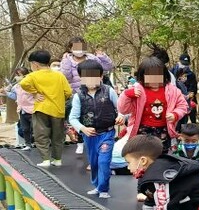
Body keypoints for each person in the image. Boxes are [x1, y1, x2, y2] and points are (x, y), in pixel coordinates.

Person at [68, 60, 123, 198]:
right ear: (81, 78)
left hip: (107, 133)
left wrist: (121, 116)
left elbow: (121, 108)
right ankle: (97, 185)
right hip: (90, 136)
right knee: (93, 162)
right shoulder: (78, 96)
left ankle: (104, 189)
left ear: (100, 77)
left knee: (104, 161)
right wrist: (82, 129)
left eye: (95, 76)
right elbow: (73, 118)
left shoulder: (108, 91)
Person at [118, 57, 189, 155]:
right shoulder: (138, 90)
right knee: (143, 157)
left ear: (164, 75)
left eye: (158, 76)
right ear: (142, 76)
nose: (154, 80)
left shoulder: (172, 90)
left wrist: (175, 114)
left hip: (164, 130)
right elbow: (123, 109)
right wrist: (126, 95)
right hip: (142, 130)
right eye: (150, 76)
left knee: (161, 156)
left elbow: (183, 105)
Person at [60, 38, 114, 154]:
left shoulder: (92, 58)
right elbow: (66, 76)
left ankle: (100, 138)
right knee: (80, 118)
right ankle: (80, 141)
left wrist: (102, 56)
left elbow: (107, 68)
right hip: (78, 93)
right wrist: (65, 62)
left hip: (96, 91)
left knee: (96, 116)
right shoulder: (67, 60)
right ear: (70, 49)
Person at [20, 50, 72, 168]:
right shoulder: (59, 75)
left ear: (35, 64)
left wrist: (35, 93)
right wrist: (59, 98)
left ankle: (45, 159)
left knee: (41, 135)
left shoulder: (33, 75)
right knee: (57, 136)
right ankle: (57, 159)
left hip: (41, 109)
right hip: (58, 110)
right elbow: (68, 92)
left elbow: (23, 84)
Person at [9, 68, 35, 150]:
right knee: (25, 129)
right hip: (22, 110)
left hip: (32, 110)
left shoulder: (31, 85)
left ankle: (39, 144)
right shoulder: (16, 86)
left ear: (25, 76)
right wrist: (6, 92)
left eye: (19, 75)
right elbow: (14, 96)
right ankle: (28, 144)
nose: (17, 77)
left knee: (36, 128)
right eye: (16, 75)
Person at [172, 54, 198, 124]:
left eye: (186, 64)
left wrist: (190, 94)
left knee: (192, 113)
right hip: (176, 98)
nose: (184, 66)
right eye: (183, 64)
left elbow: (193, 87)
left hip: (188, 98)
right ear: (179, 62)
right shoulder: (172, 72)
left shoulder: (191, 74)